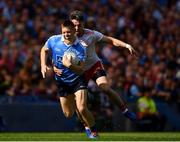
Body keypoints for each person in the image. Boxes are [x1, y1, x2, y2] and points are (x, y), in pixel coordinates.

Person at [54, 10, 137, 133]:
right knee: (79, 103)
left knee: (105, 88)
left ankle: (125, 110)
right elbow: (56, 54)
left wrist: (126, 45)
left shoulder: (91, 34)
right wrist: (55, 67)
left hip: (94, 66)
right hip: (78, 71)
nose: (76, 28)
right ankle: (87, 126)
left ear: (84, 23)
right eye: (74, 25)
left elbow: (110, 40)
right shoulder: (65, 37)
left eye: (79, 25)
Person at [40, 20, 98, 139]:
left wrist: (69, 65)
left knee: (82, 108)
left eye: (69, 32)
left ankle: (93, 130)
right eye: (64, 32)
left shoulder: (81, 47)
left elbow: (81, 69)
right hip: (62, 81)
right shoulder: (54, 40)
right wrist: (43, 65)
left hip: (77, 80)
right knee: (68, 114)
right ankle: (83, 111)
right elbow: (43, 50)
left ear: (73, 31)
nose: (66, 34)